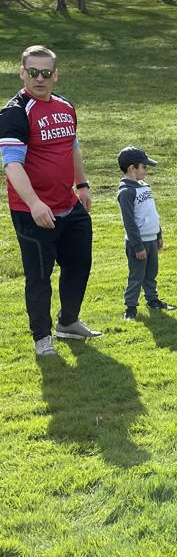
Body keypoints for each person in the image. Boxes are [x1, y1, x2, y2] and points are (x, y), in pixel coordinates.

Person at [0, 45, 102, 358]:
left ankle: (68, 322)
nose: (40, 78)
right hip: (32, 212)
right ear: (22, 73)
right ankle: (42, 338)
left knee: (80, 264)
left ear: (55, 75)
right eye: (33, 72)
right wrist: (34, 203)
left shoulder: (66, 106)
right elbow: (12, 165)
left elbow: (73, 148)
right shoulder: (15, 113)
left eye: (46, 73)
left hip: (68, 204)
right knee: (39, 277)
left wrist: (82, 185)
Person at [117, 146, 177, 320]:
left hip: (151, 240)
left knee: (151, 274)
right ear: (132, 169)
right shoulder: (126, 192)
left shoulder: (145, 187)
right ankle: (130, 308)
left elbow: (152, 213)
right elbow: (129, 223)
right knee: (137, 276)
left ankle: (152, 300)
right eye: (144, 167)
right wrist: (137, 246)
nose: (146, 170)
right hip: (138, 243)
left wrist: (159, 235)